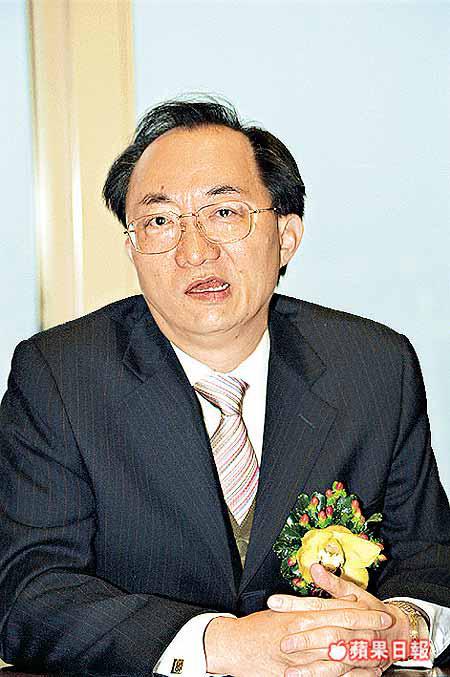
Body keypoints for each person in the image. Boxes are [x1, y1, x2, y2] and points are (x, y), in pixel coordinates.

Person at [0, 98, 449, 677]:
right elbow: (28, 590)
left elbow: (431, 561)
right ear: (133, 249)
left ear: (286, 236)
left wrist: (399, 629)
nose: (195, 251)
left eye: (225, 213)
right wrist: (221, 645)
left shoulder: (374, 366)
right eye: (160, 222)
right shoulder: (60, 375)